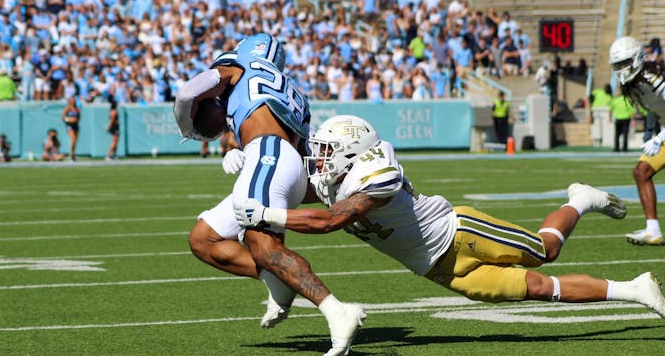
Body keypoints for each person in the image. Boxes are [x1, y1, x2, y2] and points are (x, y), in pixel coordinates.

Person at [234, 115, 665, 319]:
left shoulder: (376, 175)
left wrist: (267, 212)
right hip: (437, 269)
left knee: (545, 251)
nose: (319, 159)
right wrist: (249, 160)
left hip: (459, 233)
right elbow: (290, 181)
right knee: (537, 289)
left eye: (327, 151)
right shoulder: (335, 176)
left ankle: (581, 198)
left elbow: (328, 222)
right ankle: (635, 290)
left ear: (351, 151)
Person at [174, 33, 365, 356]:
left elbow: (187, 93)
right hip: (280, 161)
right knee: (204, 239)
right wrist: (242, 150)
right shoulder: (291, 90)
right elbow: (281, 137)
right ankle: (278, 279)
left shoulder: (236, 64)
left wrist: (187, 129)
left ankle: (336, 310)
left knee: (263, 245)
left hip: (269, 155)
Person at [609, 36, 665, 244]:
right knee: (642, 172)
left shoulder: (655, 76)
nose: (622, 69)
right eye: (618, 65)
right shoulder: (634, 86)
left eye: (625, 63)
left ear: (637, 59)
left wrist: (659, 138)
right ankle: (653, 230)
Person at [62, 96, 80, 161]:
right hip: (70, 126)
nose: (73, 102)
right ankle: (71, 155)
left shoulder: (77, 109)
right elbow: (63, 117)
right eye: (72, 100)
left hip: (76, 126)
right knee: (73, 139)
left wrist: (75, 120)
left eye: (74, 101)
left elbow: (78, 118)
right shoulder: (67, 108)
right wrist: (68, 120)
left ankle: (73, 154)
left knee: (75, 141)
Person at [106, 96, 120, 161]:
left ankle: (113, 155)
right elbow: (112, 120)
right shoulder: (114, 111)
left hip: (115, 126)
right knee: (114, 142)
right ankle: (109, 155)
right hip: (114, 127)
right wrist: (109, 126)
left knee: (116, 142)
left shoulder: (113, 111)